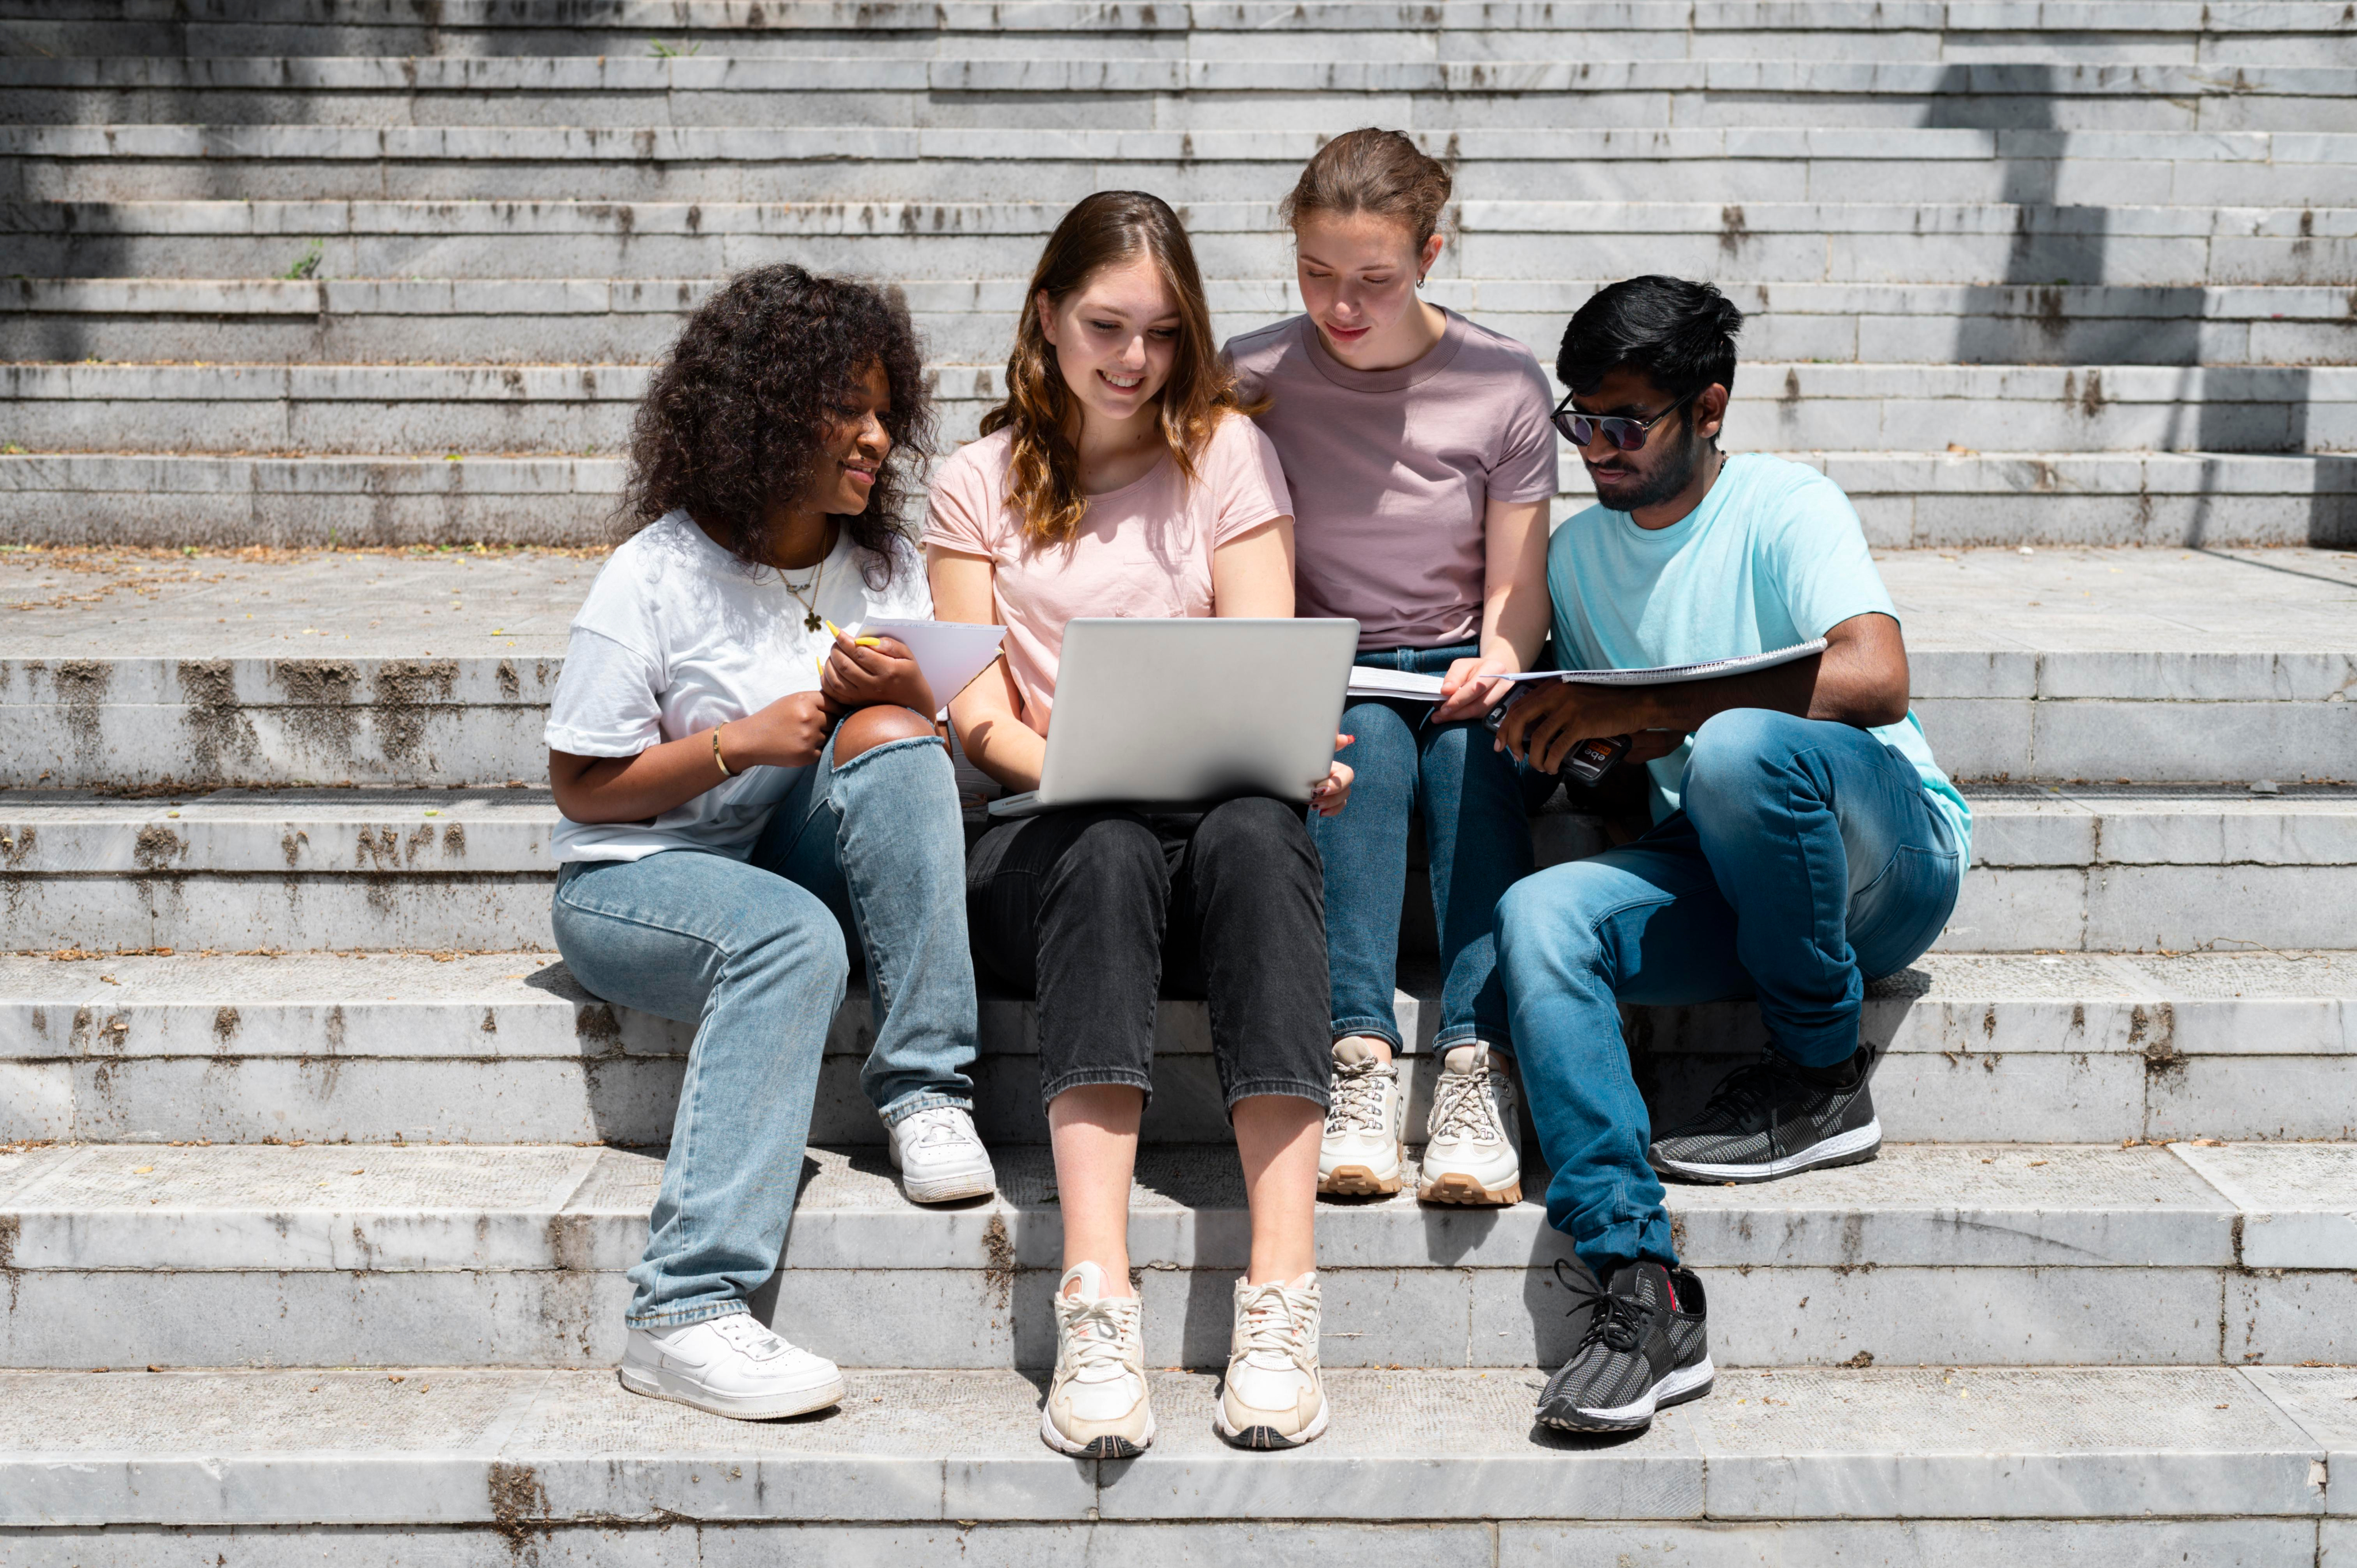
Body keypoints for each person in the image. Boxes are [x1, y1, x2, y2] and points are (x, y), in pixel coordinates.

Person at [1492, 275, 1974, 1433]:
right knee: (1540, 917)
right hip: (1720, 869)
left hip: (1880, 860)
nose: (1594, 448)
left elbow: (1873, 675)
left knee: (1739, 752)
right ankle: (1635, 1277)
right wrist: (1578, 751)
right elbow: (1617, 751)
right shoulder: (1572, 559)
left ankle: (1818, 1077)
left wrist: (1660, 722)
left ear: (1707, 409)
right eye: (1577, 421)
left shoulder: (1781, 504)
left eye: (1623, 422)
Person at [927, 190, 1353, 1456]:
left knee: (1259, 831)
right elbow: (977, 718)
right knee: (1107, 844)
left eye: (1163, 333)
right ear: (1045, 317)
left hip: (1212, 850)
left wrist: (1290, 754)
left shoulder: (1223, 452)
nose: (1133, 359)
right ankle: (1096, 1295)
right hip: (1046, 845)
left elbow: (1264, 655)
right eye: (1106, 326)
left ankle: (1281, 1291)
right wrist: (1081, 765)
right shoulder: (974, 482)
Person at [544, 264, 996, 1421]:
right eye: (846, 407)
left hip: (791, 855)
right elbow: (583, 788)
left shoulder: (884, 565)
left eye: (885, 408)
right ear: (765, 409)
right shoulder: (651, 576)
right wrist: (736, 746)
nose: (876, 435)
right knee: (790, 941)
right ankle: (682, 1307)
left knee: (896, 730)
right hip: (638, 880)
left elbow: (931, 755)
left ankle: (926, 1091)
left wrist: (910, 695)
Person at [1226, 128, 1558, 1207]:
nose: (1341, 305)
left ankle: (1475, 1065)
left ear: (1431, 251)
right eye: (1317, 274)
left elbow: (1518, 581)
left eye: (1373, 277)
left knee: (1474, 748)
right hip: (1330, 658)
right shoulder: (1253, 376)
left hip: (1464, 658)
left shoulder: (1503, 379)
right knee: (1360, 743)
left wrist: (1501, 658)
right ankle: (1358, 1057)